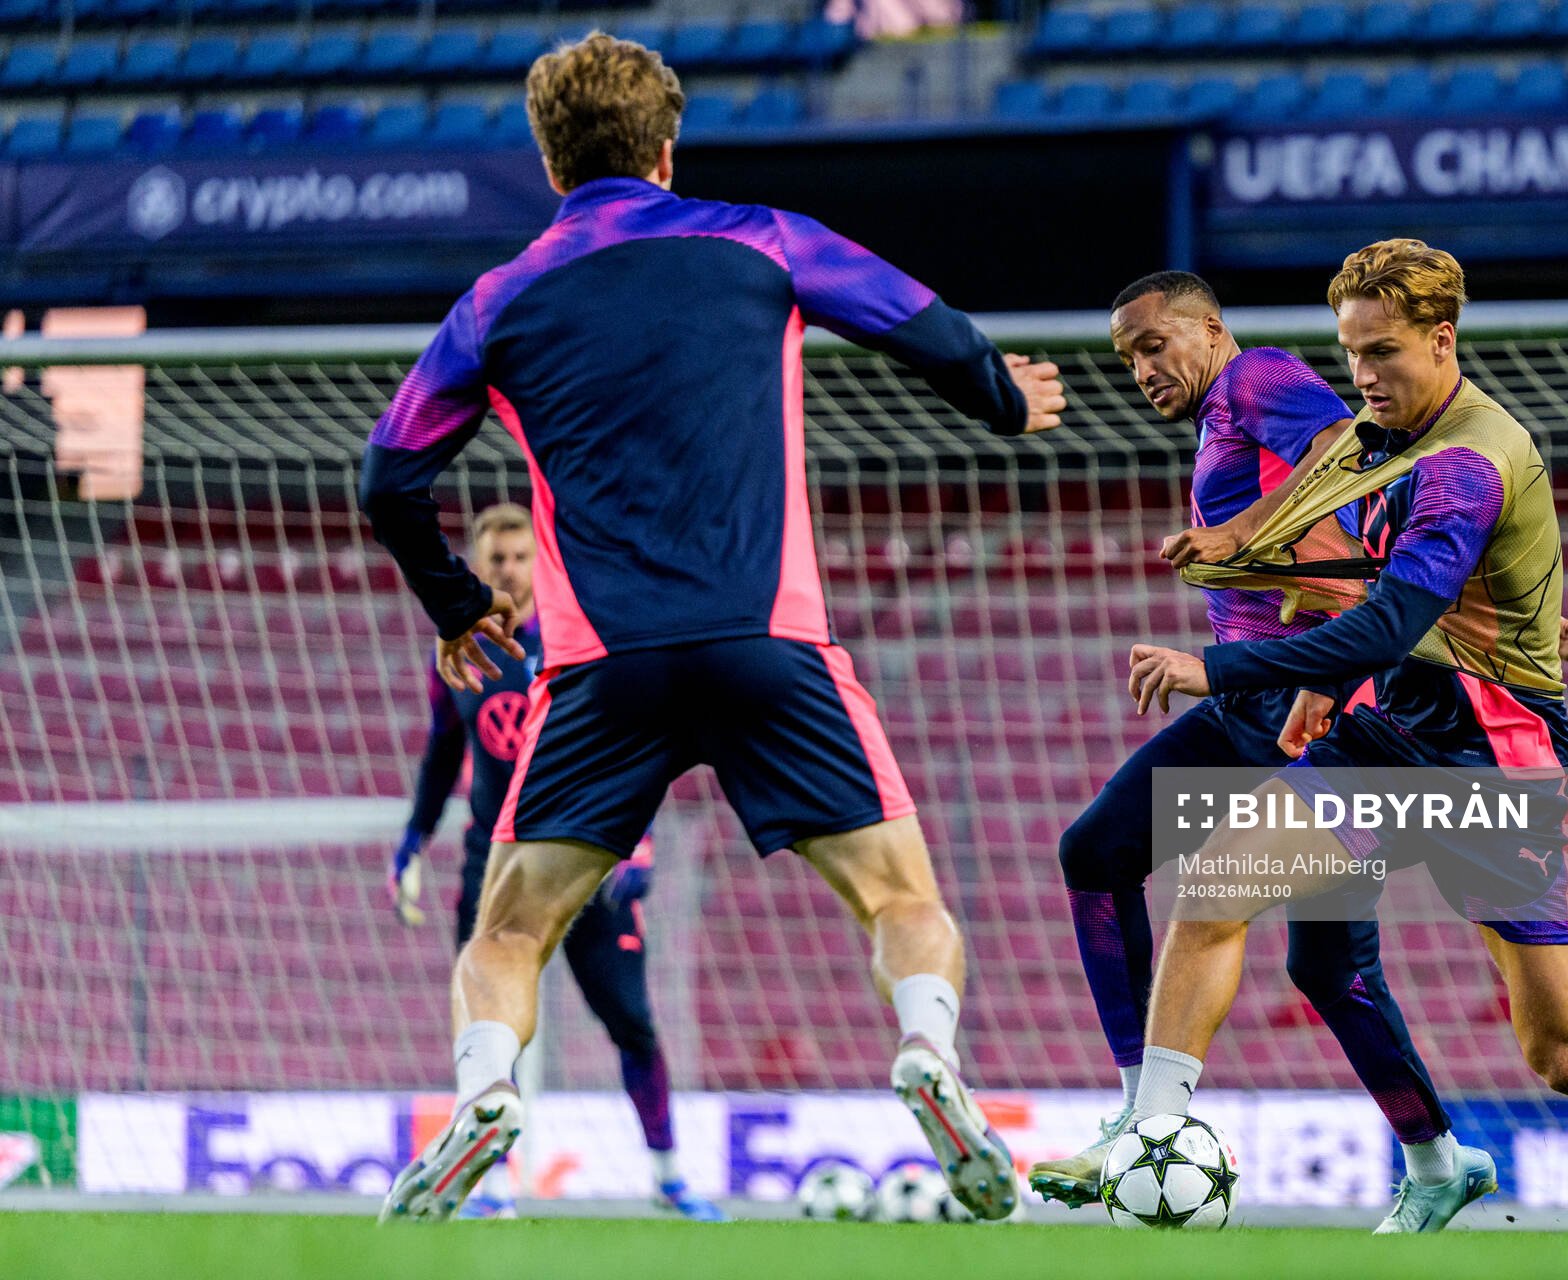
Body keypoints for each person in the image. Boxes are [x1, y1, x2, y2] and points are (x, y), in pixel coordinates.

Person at [360, 32, 1066, 1223]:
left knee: (510, 928)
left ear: (548, 161)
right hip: (769, 645)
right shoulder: (762, 238)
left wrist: (460, 605)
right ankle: (931, 1058)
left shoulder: (496, 299)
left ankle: (486, 1091)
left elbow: (387, 476)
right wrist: (1003, 398)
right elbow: (918, 320)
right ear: (667, 148)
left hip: (600, 670)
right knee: (902, 902)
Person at [1121, 240, 1568, 1239]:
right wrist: (1240, 556)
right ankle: (1150, 1140)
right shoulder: (1372, 438)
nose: (1364, 376)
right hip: (1389, 732)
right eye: (1350, 354)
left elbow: (1385, 619)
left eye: (1382, 352)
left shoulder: (1468, 459)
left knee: (1565, 1054)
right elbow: (1370, 582)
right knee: (1216, 881)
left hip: (1493, 764)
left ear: (1442, 338)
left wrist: (1222, 667)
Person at [390, 502, 722, 1221]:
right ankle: (493, 1188)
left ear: (539, 563)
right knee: (486, 1024)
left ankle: (669, 1179)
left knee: (630, 1021)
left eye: (518, 556)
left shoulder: (579, 641)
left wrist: (638, 840)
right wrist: (414, 838)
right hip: (491, 861)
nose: (507, 569)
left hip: (583, 849)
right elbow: (444, 749)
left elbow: (635, 743)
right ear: (476, 566)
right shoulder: (461, 651)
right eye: (495, 558)